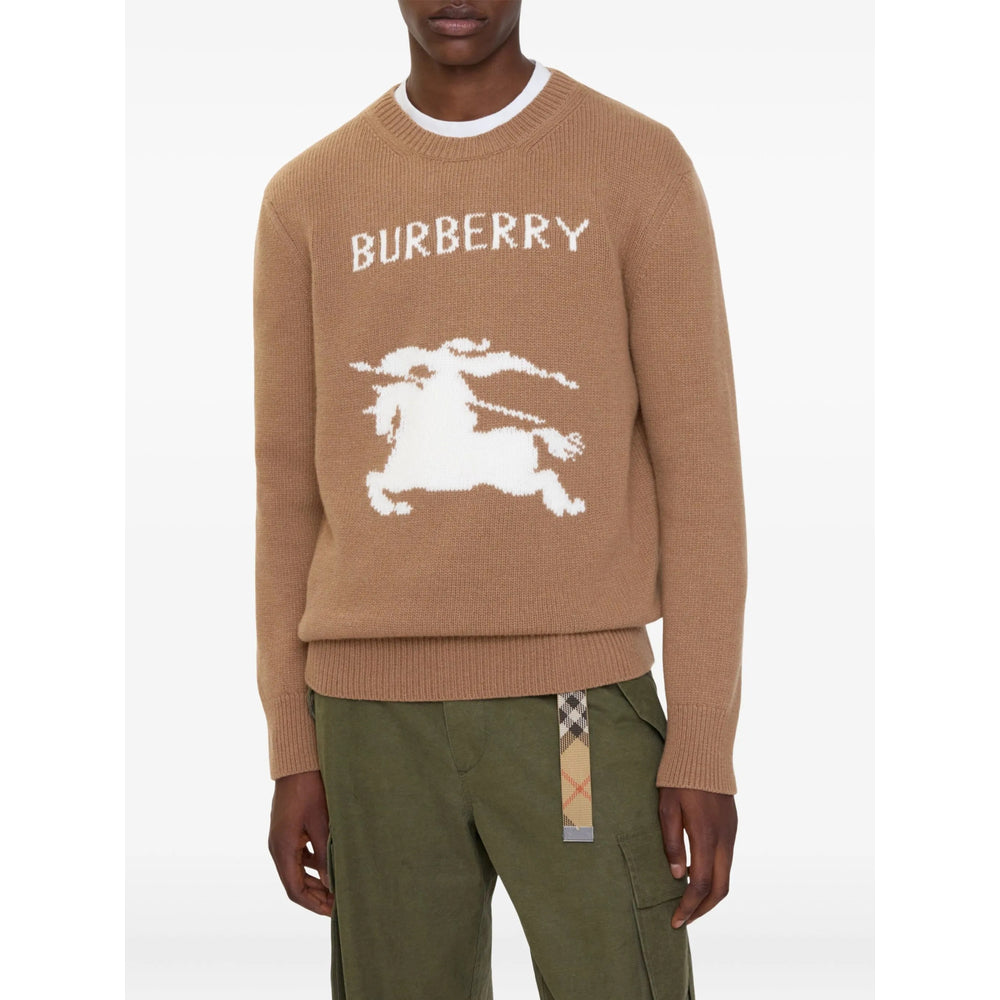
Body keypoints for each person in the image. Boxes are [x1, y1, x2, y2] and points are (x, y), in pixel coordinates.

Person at [253, 2, 746, 996]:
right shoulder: (308, 196)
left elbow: (700, 474)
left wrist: (702, 741)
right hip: (371, 726)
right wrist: (291, 744)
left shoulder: (634, 164)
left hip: (571, 718)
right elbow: (286, 490)